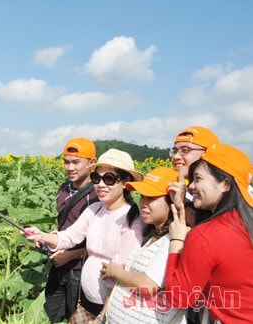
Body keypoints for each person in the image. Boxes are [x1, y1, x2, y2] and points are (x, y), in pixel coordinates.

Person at [23, 149, 145, 317]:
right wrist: (41, 235)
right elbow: (70, 236)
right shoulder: (94, 209)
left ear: (125, 182)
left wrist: (103, 315)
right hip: (87, 299)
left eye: (109, 179)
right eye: (97, 178)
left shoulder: (132, 220)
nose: (101, 184)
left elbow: (121, 274)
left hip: (111, 306)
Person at [165, 143, 253, 323]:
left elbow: (179, 298)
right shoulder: (245, 222)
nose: (191, 187)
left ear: (225, 184)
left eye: (198, 179)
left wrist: (176, 241)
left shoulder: (207, 235)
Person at [92, 167, 186, 323]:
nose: (143, 203)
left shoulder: (174, 240)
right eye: (143, 196)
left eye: (151, 198)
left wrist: (115, 272)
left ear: (172, 202)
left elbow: (147, 285)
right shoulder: (152, 235)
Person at [43, 138, 99, 323]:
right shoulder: (63, 189)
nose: (70, 167)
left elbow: (101, 243)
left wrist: (70, 255)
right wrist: (50, 237)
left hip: (80, 269)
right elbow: (66, 225)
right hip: (58, 265)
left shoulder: (98, 193)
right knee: (51, 313)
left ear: (92, 163)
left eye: (76, 162)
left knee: (76, 318)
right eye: (67, 161)